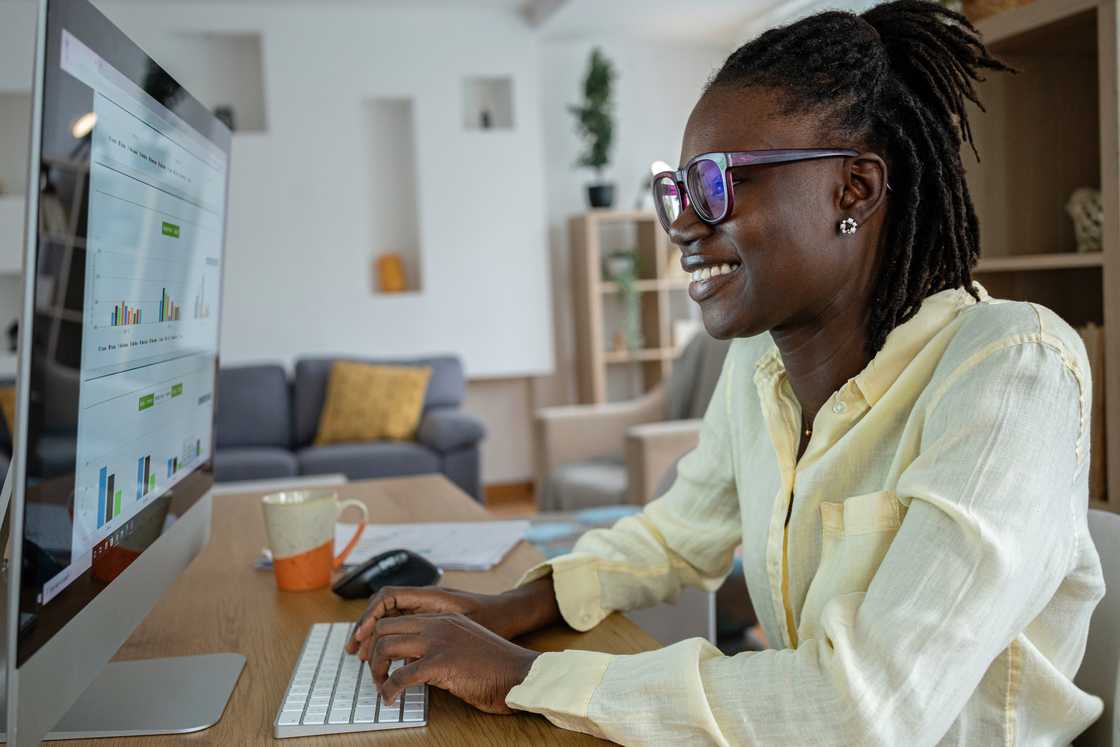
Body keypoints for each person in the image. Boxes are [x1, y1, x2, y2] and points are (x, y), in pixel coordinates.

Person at [347, 1, 1106, 743]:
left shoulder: (1013, 372)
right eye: (676, 189)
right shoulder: (758, 363)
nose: (681, 223)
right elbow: (676, 536)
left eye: (717, 183)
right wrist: (508, 606)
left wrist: (521, 675)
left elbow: (862, 711)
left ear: (855, 189)